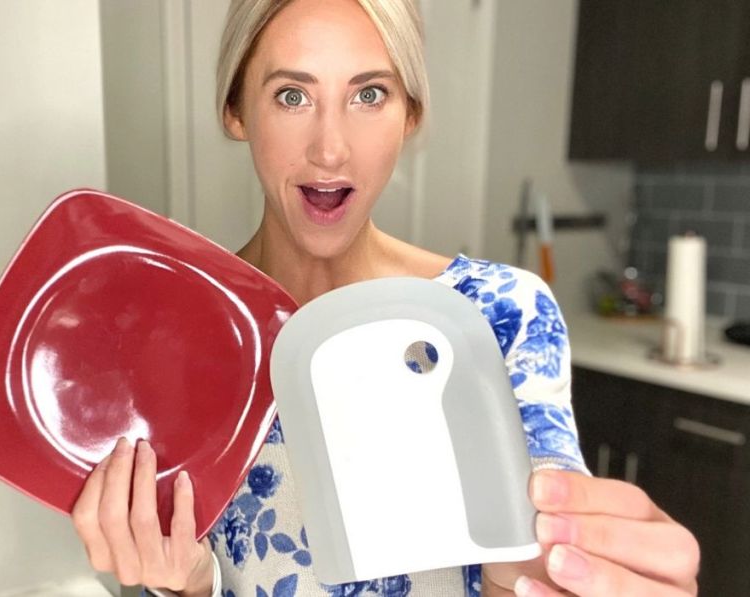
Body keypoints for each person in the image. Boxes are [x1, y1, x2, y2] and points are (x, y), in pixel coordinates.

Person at [71, 0, 701, 595]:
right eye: (292, 95)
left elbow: (535, 563)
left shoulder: (500, 314)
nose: (330, 148)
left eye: (369, 95)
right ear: (236, 110)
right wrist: (184, 582)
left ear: (411, 114)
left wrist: (571, 569)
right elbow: (198, 573)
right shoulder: (183, 336)